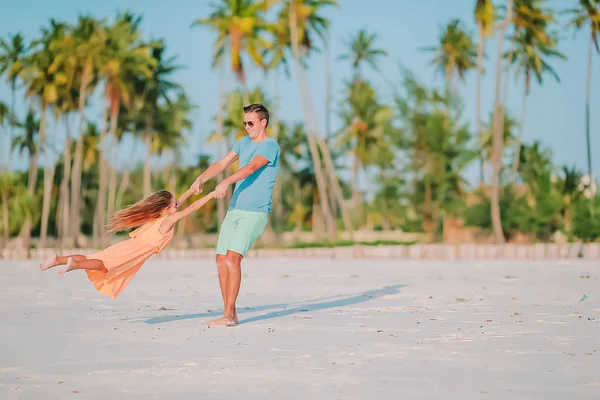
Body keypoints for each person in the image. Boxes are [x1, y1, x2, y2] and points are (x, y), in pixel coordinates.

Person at [190, 103, 280, 327]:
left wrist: (226, 182)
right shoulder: (243, 143)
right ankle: (230, 313)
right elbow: (222, 163)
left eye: (251, 123)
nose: (247, 127)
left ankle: (229, 316)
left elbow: (251, 168)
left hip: (255, 212)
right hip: (235, 210)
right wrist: (201, 178)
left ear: (263, 122)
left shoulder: (270, 146)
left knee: (232, 258)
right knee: (220, 259)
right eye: (245, 123)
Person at [40, 188, 215, 299]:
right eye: (174, 204)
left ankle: (58, 260)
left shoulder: (159, 216)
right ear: (168, 208)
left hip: (127, 246)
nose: (178, 204)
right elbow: (191, 209)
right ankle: (76, 264)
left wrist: (192, 190)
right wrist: (212, 194)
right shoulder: (168, 220)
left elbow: (179, 203)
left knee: (94, 257)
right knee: (105, 267)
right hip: (134, 252)